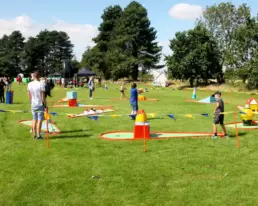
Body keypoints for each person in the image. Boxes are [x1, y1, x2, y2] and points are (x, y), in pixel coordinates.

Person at [28, 72, 46, 140]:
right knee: (39, 120)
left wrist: (31, 102)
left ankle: (34, 134)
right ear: (39, 77)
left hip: (33, 104)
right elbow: (43, 96)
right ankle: (38, 135)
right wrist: (45, 105)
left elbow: (29, 95)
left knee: (34, 119)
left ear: (34, 76)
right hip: (39, 104)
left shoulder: (29, 84)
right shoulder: (41, 84)